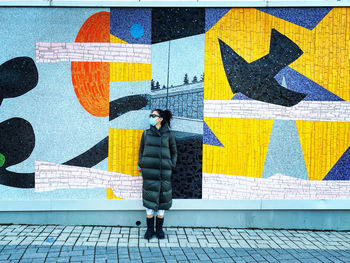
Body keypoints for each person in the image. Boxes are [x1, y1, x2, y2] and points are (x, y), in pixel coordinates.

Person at [138, 109, 177, 240]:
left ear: (160, 118)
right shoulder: (146, 134)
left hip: (164, 173)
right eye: (151, 115)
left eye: (153, 115)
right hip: (149, 173)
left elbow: (174, 152)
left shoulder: (169, 135)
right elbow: (141, 150)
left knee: (162, 202)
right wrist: (141, 164)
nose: (151, 117)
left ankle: (159, 230)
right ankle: (149, 230)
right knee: (149, 203)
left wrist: (171, 165)